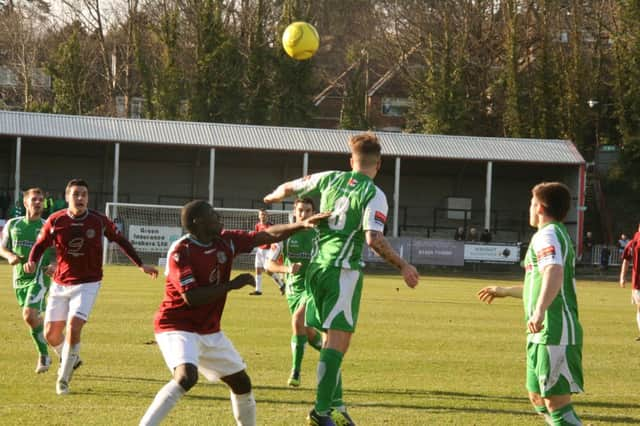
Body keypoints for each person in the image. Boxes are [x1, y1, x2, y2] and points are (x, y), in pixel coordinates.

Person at [264, 132, 420, 425]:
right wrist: (403, 265)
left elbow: (290, 187)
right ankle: (320, 412)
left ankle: (336, 404)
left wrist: (273, 196)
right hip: (342, 271)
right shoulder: (375, 194)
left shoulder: (331, 177)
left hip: (317, 268)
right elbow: (373, 238)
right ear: (379, 164)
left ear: (352, 161)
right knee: (337, 343)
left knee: (328, 340)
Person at [139, 200, 329, 426]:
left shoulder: (225, 241)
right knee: (186, 377)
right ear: (198, 222)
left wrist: (303, 224)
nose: (218, 216)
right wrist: (232, 285)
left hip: (209, 330)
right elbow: (192, 297)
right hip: (176, 326)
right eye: (212, 214)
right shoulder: (181, 251)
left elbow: (266, 236)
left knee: (241, 383)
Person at [25, 178, 158, 395]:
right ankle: (70, 358)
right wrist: (32, 259)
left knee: (74, 326)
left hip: (88, 282)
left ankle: (63, 378)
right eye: (76, 194)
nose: (80, 198)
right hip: (60, 283)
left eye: (84, 194)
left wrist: (140, 264)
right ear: (67, 197)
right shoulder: (56, 220)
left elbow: (120, 239)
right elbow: (40, 244)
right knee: (50, 335)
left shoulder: (98, 220)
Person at [477, 182, 583, 426]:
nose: (530, 208)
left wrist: (538, 312)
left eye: (532, 203)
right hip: (542, 331)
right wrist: (505, 291)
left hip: (554, 329)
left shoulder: (547, 234)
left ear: (541, 207)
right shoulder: (553, 234)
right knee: (537, 397)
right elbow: (543, 282)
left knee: (557, 404)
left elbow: (553, 272)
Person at [264, 197, 323, 387]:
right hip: (293, 290)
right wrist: (287, 269)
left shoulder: (320, 234)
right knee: (305, 329)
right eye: (300, 210)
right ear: (294, 212)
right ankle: (327, 352)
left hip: (314, 286)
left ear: (313, 213)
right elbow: (269, 265)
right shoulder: (286, 235)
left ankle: (295, 371)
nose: (303, 214)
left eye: (307, 210)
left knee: (298, 320)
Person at [0, 187, 54, 373]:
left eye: (41, 200)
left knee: (29, 316)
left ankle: (44, 356)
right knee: (34, 320)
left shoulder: (48, 226)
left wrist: (54, 265)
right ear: (25, 203)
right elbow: (2, 248)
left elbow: (60, 253)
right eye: (34, 199)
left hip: (40, 278)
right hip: (19, 279)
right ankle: (58, 345)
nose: (38, 203)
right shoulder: (13, 225)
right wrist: (9, 256)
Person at [250, 208, 285, 295]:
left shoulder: (271, 226)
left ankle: (282, 284)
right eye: (261, 214)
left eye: (264, 214)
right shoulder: (257, 225)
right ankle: (258, 290)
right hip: (260, 250)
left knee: (268, 270)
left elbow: (277, 236)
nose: (263, 216)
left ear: (267, 216)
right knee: (257, 269)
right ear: (259, 216)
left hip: (268, 250)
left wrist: (274, 243)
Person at [619, 222, 640, 341]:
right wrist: (622, 276)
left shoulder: (634, 241)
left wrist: (622, 277)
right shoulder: (634, 242)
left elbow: (626, 260)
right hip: (637, 282)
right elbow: (626, 260)